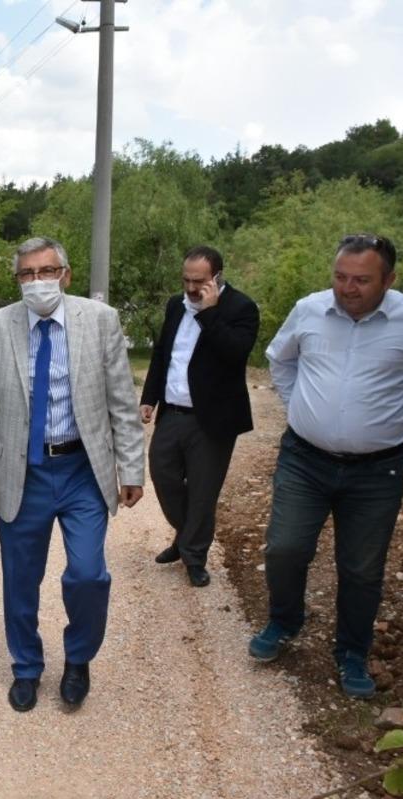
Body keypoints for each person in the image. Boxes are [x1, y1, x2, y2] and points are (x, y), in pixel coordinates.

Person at [250, 234, 403, 699]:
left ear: (389, 280)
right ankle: (285, 621)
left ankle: (352, 651)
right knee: (284, 549)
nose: (348, 288)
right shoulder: (309, 309)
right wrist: (295, 408)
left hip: (378, 470)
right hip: (304, 460)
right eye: (340, 277)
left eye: (361, 280)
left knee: (361, 567)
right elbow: (279, 359)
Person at [0, 236, 146, 712]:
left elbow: (121, 401)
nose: (37, 282)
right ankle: (26, 667)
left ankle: (78, 658)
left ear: (65, 274)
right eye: (26, 274)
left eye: (46, 271)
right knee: (20, 580)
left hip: (83, 471)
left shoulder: (99, 321)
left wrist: (132, 466)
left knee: (87, 575)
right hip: (23, 474)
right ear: (17, 280)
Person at [140, 245, 259, 587]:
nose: (191, 288)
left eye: (199, 281)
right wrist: (150, 397)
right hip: (173, 412)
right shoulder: (175, 305)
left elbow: (235, 354)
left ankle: (193, 555)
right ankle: (186, 535)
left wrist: (209, 313)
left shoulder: (241, 307)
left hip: (214, 420)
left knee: (203, 491)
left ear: (216, 278)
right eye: (186, 280)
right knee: (163, 475)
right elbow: (163, 352)